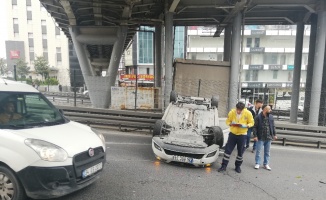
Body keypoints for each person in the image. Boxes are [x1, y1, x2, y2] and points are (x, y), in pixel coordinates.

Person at [218, 102, 254, 173]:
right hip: (233, 134)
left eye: (240, 110)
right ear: (236, 108)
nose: (238, 111)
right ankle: (223, 166)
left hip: (242, 134)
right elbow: (227, 121)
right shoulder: (232, 112)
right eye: (237, 109)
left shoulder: (248, 113)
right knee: (228, 150)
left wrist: (246, 126)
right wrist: (230, 124)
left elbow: (252, 123)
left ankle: (238, 166)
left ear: (243, 109)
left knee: (240, 152)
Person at [253, 105, 277, 171]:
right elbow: (254, 127)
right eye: (269, 109)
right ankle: (257, 163)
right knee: (258, 151)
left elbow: (273, 126)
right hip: (260, 137)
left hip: (268, 137)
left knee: (267, 152)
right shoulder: (258, 117)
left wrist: (274, 134)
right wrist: (255, 136)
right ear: (265, 110)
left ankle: (266, 164)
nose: (270, 110)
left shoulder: (271, 117)